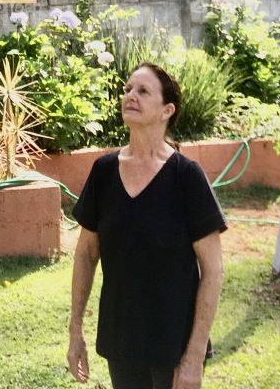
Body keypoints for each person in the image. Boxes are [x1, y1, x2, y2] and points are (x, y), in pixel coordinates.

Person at [68, 63, 226, 389]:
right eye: (127, 89)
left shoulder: (187, 177)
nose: (130, 96)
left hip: (174, 343)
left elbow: (213, 270)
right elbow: (85, 255)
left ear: (167, 110)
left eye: (143, 91)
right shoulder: (104, 172)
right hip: (121, 338)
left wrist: (194, 357)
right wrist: (75, 333)